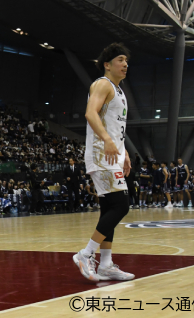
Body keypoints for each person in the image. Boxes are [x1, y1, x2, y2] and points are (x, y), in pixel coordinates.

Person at [74, 43, 134, 282]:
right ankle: (85, 254)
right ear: (107, 64)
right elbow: (90, 114)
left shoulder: (119, 91)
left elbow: (115, 127)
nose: (125, 64)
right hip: (101, 154)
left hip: (113, 154)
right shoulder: (102, 84)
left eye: (127, 60)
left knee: (110, 209)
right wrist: (108, 141)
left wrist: (124, 152)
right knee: (122, 206)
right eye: (121, 59)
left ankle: (106, 264)